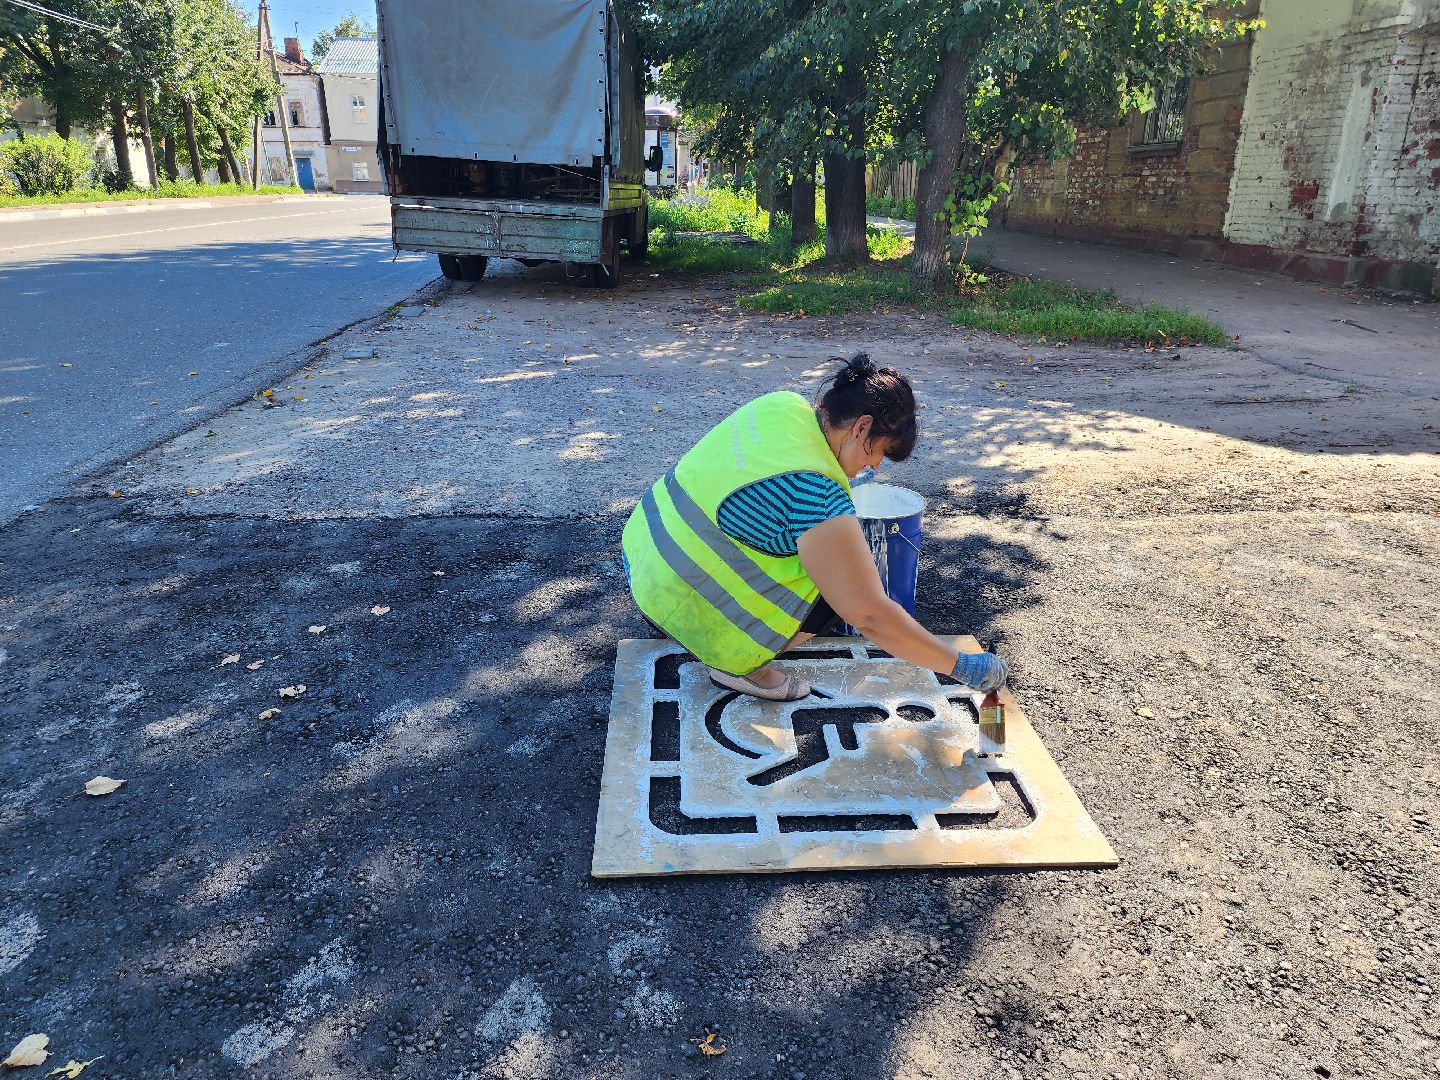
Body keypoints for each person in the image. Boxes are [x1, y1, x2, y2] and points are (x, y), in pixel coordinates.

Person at [621, 353, 1009, 702]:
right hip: (685, 609)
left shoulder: (783, 406)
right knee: (842, 587)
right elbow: (871, 614)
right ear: (861, 428)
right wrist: (960, 666)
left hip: (645, 568)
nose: (875, 467)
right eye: (880, 452)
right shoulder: (817, 492)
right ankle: (740, 665)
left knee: (829, 558)